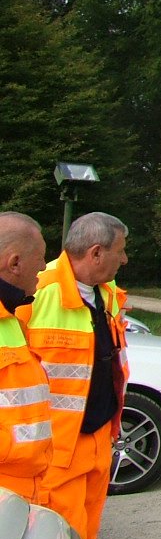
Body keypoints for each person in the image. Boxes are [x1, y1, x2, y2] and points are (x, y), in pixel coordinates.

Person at [17, 213, 130, 539]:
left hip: (98, 440)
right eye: (121, 251)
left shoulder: (108, 294)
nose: (124, 260)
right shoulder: (37, 291)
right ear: (96, 253)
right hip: (58, 450)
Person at [0, 212, 53, 502]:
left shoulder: (11, 317)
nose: (44, 267)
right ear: (15, 262)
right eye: (41, 257)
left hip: (26, 488)